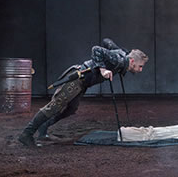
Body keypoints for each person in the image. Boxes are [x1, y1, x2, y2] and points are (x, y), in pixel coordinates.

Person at [18, 38, 148, 146]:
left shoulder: (120, 56)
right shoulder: (118, 59)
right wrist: (103, 69)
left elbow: (106, 41)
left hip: (83, 84)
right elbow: (96, 49)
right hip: (77, 79)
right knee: (54, 106)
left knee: (70, 109)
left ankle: (44, 126)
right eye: (140, 66)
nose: (140, 69)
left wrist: (115, 49)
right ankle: (26, 134)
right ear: (132, 61)